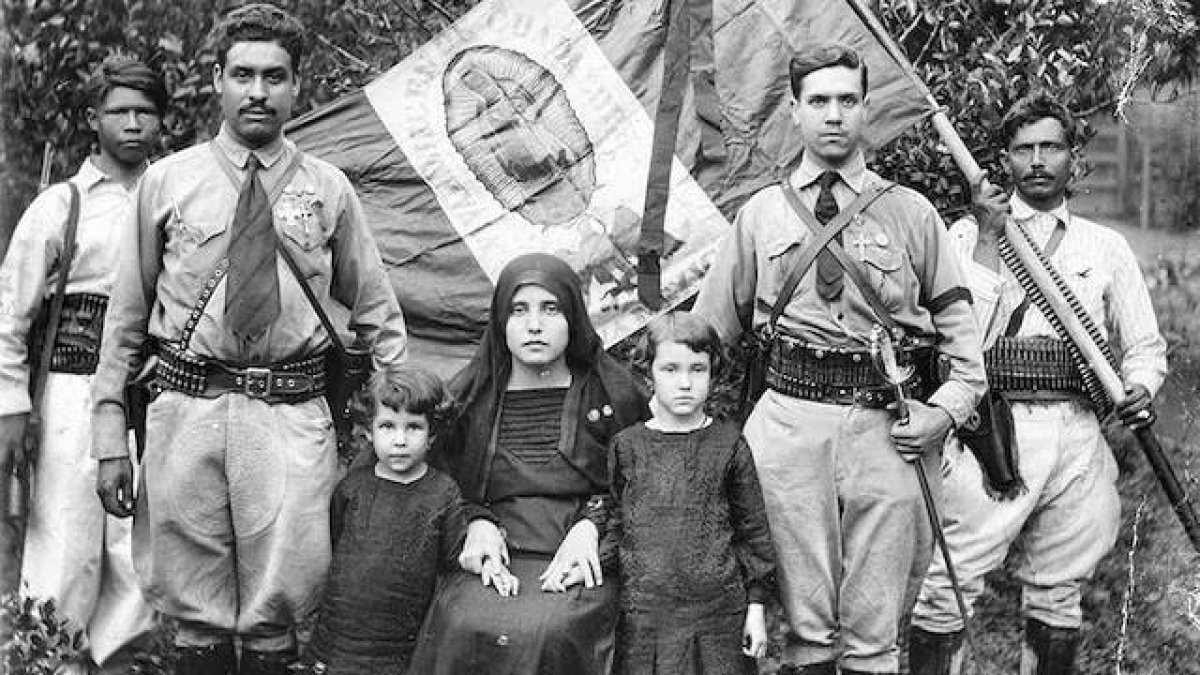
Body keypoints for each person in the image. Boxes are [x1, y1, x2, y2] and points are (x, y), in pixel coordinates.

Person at [89, 5, 408, 674]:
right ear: (216, 80)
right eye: (242, 74)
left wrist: (394, 414)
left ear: (298, 85)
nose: (257, 91)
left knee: (279, 605)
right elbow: (123, 321)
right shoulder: (167, 182)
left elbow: (378, 313)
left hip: (291, 414)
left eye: (273, 76)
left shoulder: (328, 189)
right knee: (194, 609)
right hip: (188, 410)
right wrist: (109, 435)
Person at [693, 43, 987, 675]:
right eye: (819, 101)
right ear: (794, 111)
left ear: (866, 110)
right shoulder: (760, 216)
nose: (834, 115)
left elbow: (968, 362)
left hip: (891, 428)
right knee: (803, 631)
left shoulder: (913, 214)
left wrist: (942, 417)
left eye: (847, 100)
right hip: (786, 431)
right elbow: (705, 341)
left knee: (875, 631)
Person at [908, 93, 1167, 675]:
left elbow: (1145, 347)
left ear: (1074, 158)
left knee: (1058, 591)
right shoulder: (966, 235)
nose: (1039, 160)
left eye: (1052, 146)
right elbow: (962, 334)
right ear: (1004, 161)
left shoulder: (1106, 247)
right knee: (948, 584)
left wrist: (1140, 387)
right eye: (1024, 149)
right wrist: (985, 234)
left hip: (1077, 431)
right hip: (992, 429)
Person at [0, 55, 166, 675]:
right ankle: (51, 660)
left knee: (136, 544)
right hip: (71, 387)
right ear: (93, 119)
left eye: (145, 112)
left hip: (148, 391)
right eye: (119, 111)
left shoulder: (170, 194)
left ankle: (121, 659)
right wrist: (11, 404)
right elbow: (10, 313)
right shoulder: (60, 205)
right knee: (66, 535)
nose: (133, 124)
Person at [408, 252, 649, 674]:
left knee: (551, 631)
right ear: (501, 321)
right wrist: (476, 520)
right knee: (462, 621)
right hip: (496, 554)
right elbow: (437, 483)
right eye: (519, 310)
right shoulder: (473, 397)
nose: (534, 325)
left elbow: (642, 485)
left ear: (573, 317)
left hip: (580, 553)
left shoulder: (611, 394)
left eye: (550, 309)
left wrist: (592, 527)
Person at [305, 366, 513, 674]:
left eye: (413, 427)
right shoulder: (353, 486)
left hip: (398, 641)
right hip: (343, 630)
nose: (400, 440)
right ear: (368, 431)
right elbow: (334, 542)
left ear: (432, 435)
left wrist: (489, 565)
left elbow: (457, 554)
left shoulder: (442, 491)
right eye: (387, 426)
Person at [607, 311, 776, 675]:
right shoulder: (627, 446)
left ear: (713, 374)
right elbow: (614, 524)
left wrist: (757, 609)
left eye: (697, 369)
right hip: (645, 619)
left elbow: (754, 534)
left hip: (717, 618)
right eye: (670, 369)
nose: (685, 383)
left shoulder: (729, 445)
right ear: (648, 373)